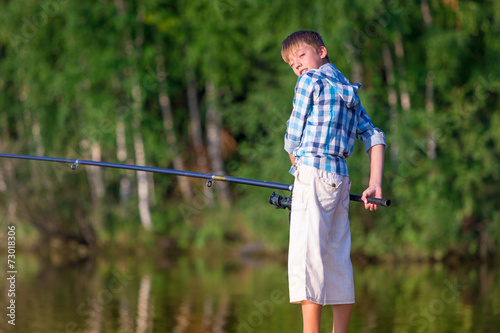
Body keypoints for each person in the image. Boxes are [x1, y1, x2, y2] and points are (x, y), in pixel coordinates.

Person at [281, 30, 387, 333]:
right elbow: (374, 136)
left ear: (322, 51)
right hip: (340, 179)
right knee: (338, 259)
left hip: (312, 175)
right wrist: (374, 183)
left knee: (307, 260)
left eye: (301, 55)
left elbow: (292, 138)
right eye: (291, 63)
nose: (297, 65)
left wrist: (296, 165)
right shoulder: (348, 90)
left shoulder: (309, 82)